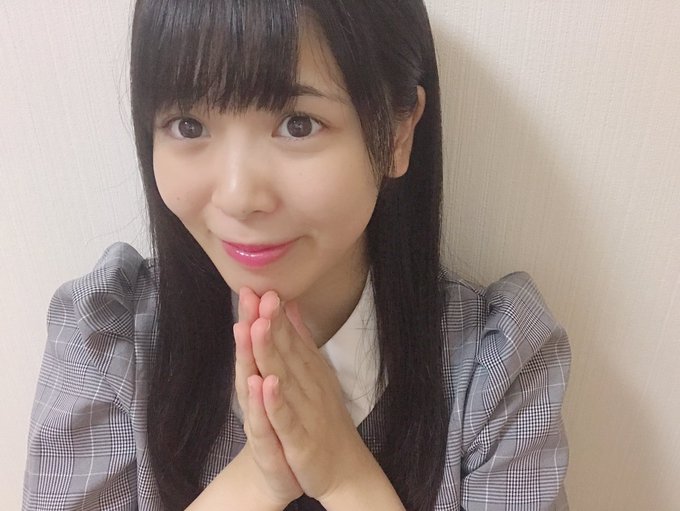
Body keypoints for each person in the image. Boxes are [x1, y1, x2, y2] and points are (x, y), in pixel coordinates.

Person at [23, 1, 570, 510]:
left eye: (298, 124)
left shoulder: (494, 371)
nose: (238, 196)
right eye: (188, 125)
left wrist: (347, 477)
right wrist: (258, 479)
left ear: (399, 133)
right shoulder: (106, 345)